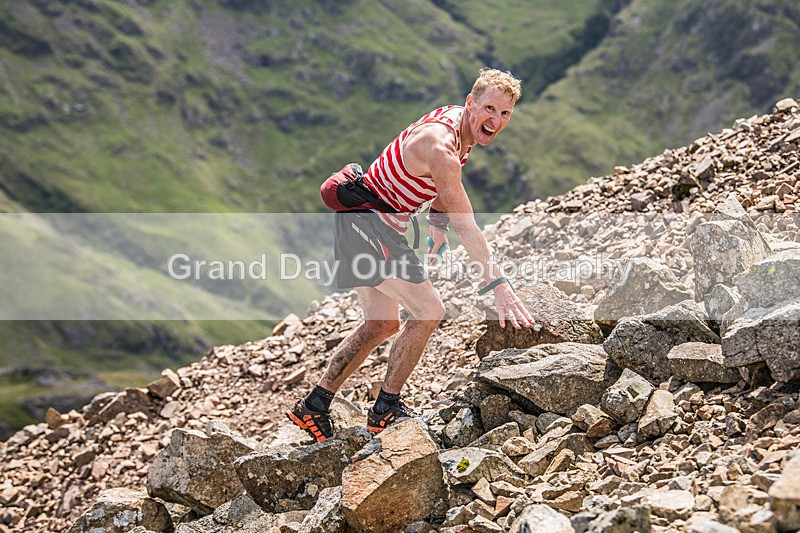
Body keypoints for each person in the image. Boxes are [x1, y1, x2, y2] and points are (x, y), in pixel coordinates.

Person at [287, 68, 535, 442]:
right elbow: (466, 224)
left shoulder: (456, 125)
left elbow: (439, 189)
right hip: (372, 228)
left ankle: (314, 406)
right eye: (489, 109)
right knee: (430, 311)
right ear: (471, 103)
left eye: (505, 114)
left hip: (364, 224)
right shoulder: (443, 148)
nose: (495, 121)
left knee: (381, 325)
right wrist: (498, 285)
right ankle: (386, 409)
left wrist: (436, 229)